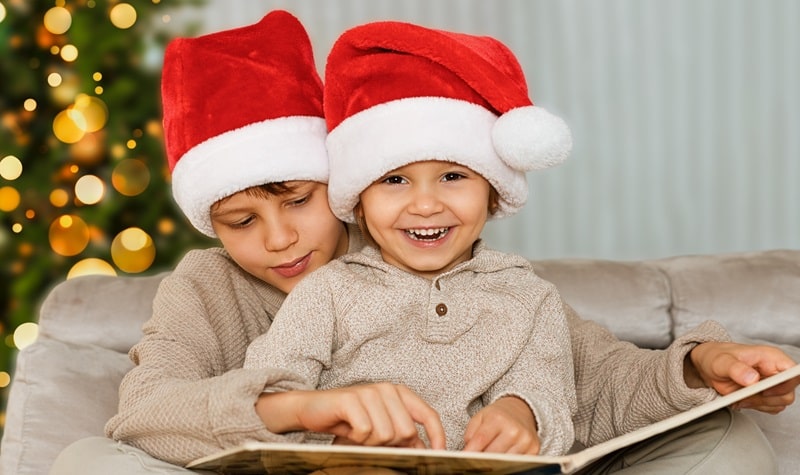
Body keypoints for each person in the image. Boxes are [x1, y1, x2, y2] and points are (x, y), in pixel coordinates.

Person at [51, 14, 799, 475]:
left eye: (299, 201)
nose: (278, 239)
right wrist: (303, 411)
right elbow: (146, 411)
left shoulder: (496, 282)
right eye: (239, 222)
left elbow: (592, 372)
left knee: (731, 448)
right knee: (88, 464)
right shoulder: (216, 288)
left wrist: (704, 361)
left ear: (340, 181)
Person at [245, 18, 578, 456]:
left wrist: (521, 413)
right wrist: (331, 426)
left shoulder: (529, 297)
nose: (424, 205)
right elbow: (262, 396)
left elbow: (549, 389)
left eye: (452, 176)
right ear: (357, 202)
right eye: (395, 180)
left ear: (493, 194)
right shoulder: (327, 293)